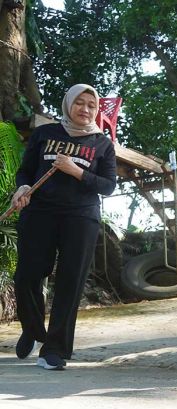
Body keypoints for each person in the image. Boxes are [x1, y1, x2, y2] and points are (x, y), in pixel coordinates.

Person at [12, 84, 117, 370]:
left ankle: (54, 349)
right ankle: (33, 329)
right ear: (68, 104)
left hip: (81, 216)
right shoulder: (46, 134)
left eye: (91, 105)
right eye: (79, 103)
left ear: (97, 109)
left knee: (71, 282)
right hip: (39, 212)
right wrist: (22, 188)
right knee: (27, 275)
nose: (85, 109)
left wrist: (77, 171)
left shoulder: (102, 144)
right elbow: (26, 169)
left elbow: (108, 186)